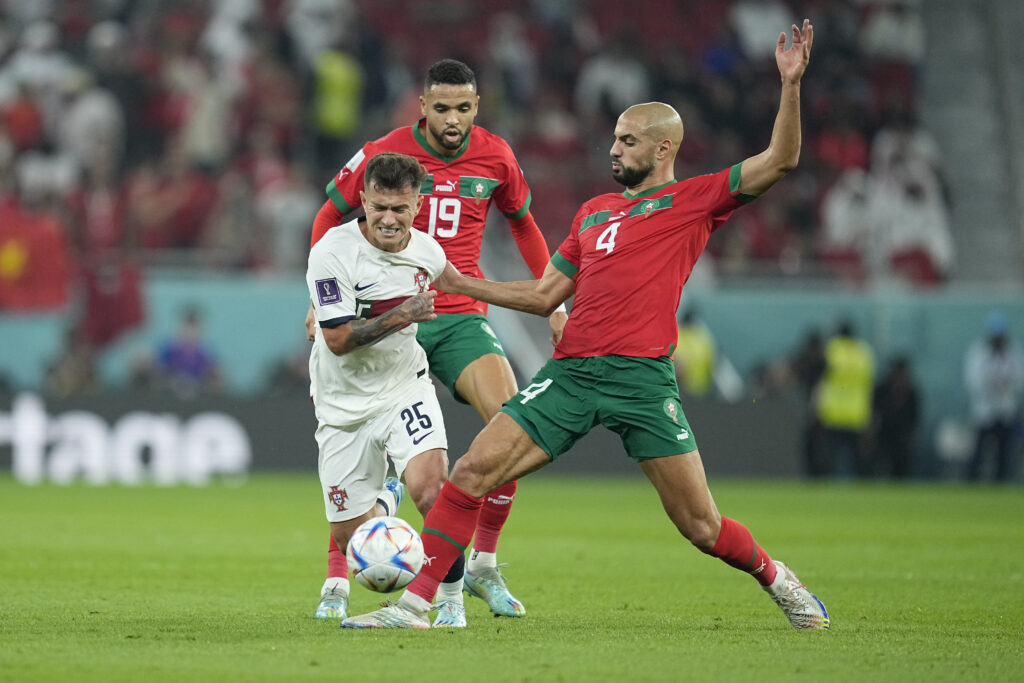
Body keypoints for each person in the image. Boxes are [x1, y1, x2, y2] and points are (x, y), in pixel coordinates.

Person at [343, 19, 829, 631]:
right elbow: (545, 293)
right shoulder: (593, 213)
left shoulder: (695, 201)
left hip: (641, 380)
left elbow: (781, 160)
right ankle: (416, 606)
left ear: (663, 150)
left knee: (701, 527)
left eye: (627, 141)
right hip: (571, 375)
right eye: (614, 139)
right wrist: (462, 284)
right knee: (469, 472)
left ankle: (775, 577)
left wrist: (790, 85)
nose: (613, 150)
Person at [308, 58, 566, 622]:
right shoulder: (384, 154)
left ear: (477, 107)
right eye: (442, 108)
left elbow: (524, 225)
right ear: (423, 106)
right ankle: (340, 568)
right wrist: (319, 300)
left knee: (511, 424)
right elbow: (329, 215)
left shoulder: (497, 156)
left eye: (463, 108)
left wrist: (556, 302)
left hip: (456, 315)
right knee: (356, 442)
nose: (453, 119)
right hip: (384, 312)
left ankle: (483, 564)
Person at [305, 151, 457, 628]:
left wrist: (546, 302)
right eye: (379, 207)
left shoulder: (428, 252)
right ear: (364, 200)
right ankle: (386, 500)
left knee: (433, 491)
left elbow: (460, 284)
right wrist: (403, 314)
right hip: (343, 404)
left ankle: (450, 599)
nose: (389, 219)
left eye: (400, 208)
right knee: (353, 540)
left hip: (404, 387)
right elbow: (337, 340)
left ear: (418, 204)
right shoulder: (332, 252)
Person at [964, 311, 1024, 482]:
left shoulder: (1014, 353)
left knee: (1003, 452)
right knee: (979, 450)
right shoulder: (978, 353)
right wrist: (993, 383)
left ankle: (1000, 482)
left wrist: (1002, 383)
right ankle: (972, 482)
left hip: (1005, 409)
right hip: (985, 410)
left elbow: (1019, 378)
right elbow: (972, 380)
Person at [811, 319, 875, 478]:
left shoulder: (832, 350)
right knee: (859, 459)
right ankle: (863, 488)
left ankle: (826, 485)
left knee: (829, 457)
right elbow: (869, 385)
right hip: (857, 414)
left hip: (834, 414)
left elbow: (821, 381)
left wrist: (817, 410)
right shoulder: (864, 353)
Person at [869, 355, 920, 479]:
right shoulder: (881, 389)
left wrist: (911, 436)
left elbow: (914, 417)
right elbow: (874, 411)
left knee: (900, 469)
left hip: (901, 436)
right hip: (882, 434)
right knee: (873, 464)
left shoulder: (911, 392)